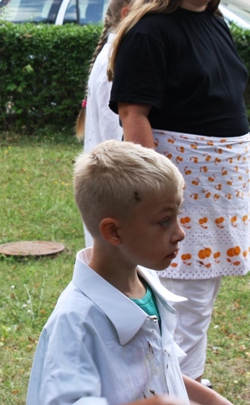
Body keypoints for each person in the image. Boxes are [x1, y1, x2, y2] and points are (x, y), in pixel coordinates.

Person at [109, 0, 250, 386]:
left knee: (200, 298)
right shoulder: (151, 31)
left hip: (220, 197)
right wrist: (155, 196)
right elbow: (134, 114)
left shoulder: (213, 21)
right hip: (183, 195)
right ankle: (172, 386)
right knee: (178, 297)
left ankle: (187, 381)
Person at [27, 140, 231, 405]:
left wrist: (210, 398)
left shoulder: (146, 283)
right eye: (164, 221)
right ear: (113, 232)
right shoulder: (76, 323)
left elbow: (159, 366)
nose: (180, 233)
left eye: (178, 215)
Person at [79, 0, 143, 247]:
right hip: (113, 183)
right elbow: (114, 131)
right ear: (127, 14)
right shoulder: (115, 61)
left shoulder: (113, 53)